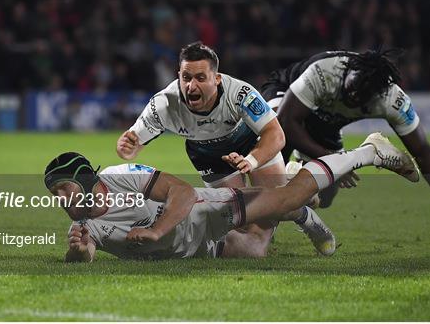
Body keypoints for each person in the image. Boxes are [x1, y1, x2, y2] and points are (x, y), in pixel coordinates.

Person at [44, 133, 419, 262]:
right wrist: (77, 255)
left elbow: (183, 191)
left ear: (87, 180)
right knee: (256, 250)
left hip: (207, 211)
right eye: (54, 193)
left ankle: (367, 152)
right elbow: (85, 251)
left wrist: (157, 230)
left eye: (64, 189)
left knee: (288, 198)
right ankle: (300, 211)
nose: (60, 199)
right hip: (194, 248)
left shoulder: (120, 177)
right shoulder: (83, 223)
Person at [115, 41, 318, 258]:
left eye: (200, 78)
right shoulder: (164, 104)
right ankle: (293, 195)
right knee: (243, 221)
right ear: (178, 76)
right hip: (208, 155)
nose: (191, 86)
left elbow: (275, 134)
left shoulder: (239, 94)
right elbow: (132, 144)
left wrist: (250, 160)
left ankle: (305, 213)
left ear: (217, 78)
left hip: (250, 142)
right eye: (186, 78)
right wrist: (127, 149)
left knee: (279, 204)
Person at [261, 49, 430, 208]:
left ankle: (294, 174)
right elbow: (286, 121)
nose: (353, 97)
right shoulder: (326, 71)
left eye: (360, 98)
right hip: (286, 92)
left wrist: (334, 165)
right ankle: (261, 222)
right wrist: (333, 161)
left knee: (325, 197)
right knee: (275, 138)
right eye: (351, 88)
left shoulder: (392, 101)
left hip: (326, 119)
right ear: (349, 72)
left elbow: (422, 151)